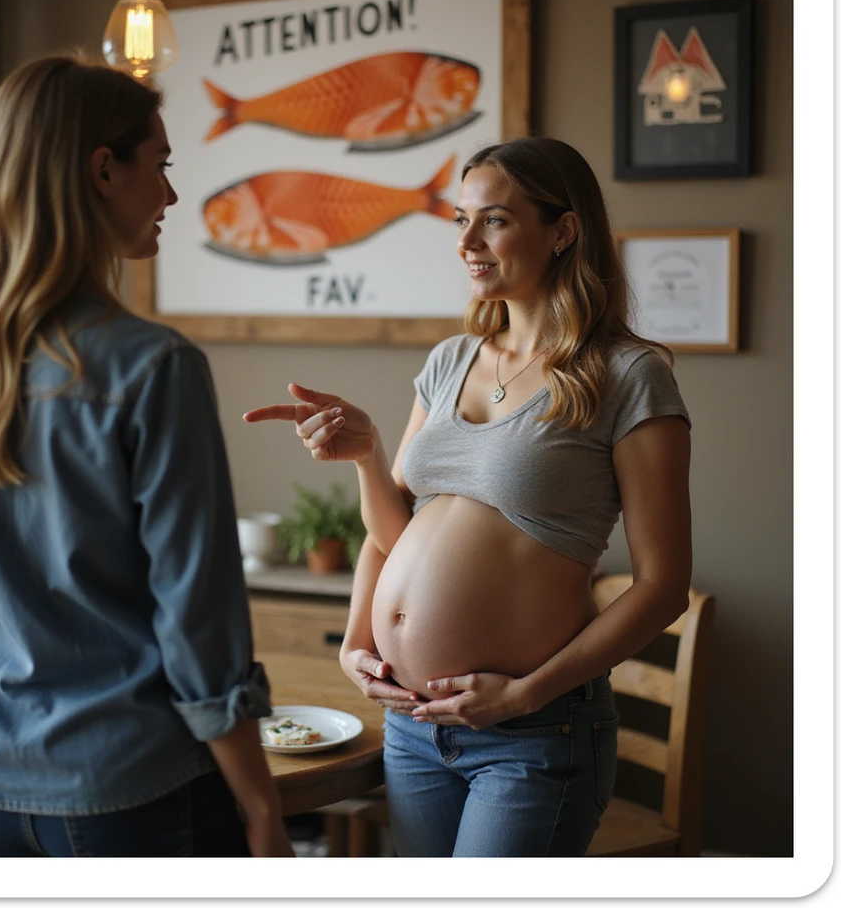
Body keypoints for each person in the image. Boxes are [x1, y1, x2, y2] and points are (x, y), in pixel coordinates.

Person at [0, 53, 294, 858]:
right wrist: (262, 805)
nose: (173, 195)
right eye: (162, 166)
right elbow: (199, 621)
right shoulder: (155, 366)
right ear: (103, 170)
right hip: (141, 797)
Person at [243, 137, 692, 857]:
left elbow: (663, 586)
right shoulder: (451, 360)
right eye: (459, 220)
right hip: (416, 730)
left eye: (494, 221)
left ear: (562, 231)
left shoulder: (629, 375)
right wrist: (359, 638)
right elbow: (396, 530)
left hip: (531, 735)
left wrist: (526, 694)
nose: (467, 242)